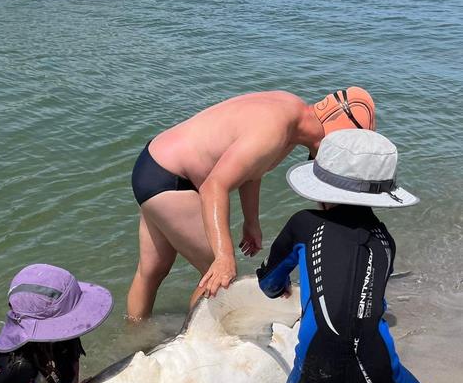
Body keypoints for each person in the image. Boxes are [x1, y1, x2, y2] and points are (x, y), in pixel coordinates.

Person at [253, 129, 462, 383]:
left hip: (317, 370)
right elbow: (371, 301)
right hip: (376, 371)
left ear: (320, 185)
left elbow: (269, 284)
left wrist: (281, 286)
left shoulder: (302, 225)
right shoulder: (384, 240)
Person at [127, 87, 375, 320]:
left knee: (151, 271)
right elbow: (214, 187)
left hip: (151, 164)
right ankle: (188, 346)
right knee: (217, 279)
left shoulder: (291, 111)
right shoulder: (276, 130)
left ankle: (137, 342)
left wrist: (251, 222)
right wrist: (224, 256)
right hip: (175, 181)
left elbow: (251, 170)